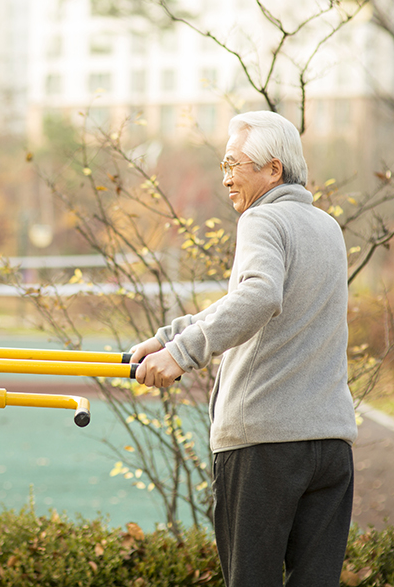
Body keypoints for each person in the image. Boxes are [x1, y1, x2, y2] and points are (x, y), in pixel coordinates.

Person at [130, 111, 356, 586]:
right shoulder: (326, 228)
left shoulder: (262, 218)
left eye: (235, 164)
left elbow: (259, 296)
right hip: (330, 446)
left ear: (273, 170)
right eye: (224, 165)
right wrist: (172, 335)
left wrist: (181, 353)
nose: (228, 177)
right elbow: (266, 301)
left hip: (264, 446)